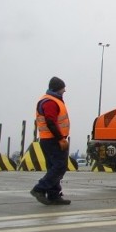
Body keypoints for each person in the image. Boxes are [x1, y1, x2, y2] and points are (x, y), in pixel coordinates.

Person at [30, 76, 71, 205]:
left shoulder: (51, 100)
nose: (64, 91)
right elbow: (50, 122)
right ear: (57, 89)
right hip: (53, 140)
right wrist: (60, 139)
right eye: (62, 89)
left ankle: (54, 195)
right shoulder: (50, 102)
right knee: (60, 167)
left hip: (48, 139)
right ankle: (39, 189)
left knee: (53, 167)